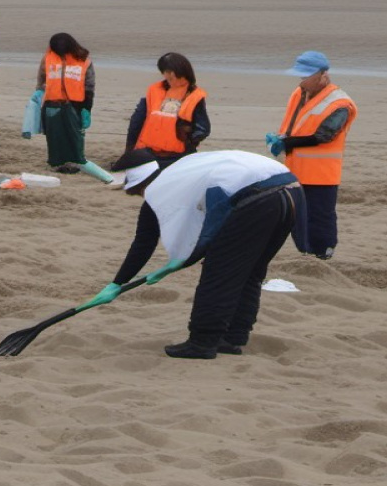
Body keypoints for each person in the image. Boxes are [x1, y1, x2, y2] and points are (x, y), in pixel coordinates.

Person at [89, 148, 305, 359]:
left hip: (256, 197)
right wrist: (119, 282)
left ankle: (203, 342)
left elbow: (144, 243)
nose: (144, 198)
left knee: (218, 271)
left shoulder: (161, 188)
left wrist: (118, 283)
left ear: (141, 184)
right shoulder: (181, 170)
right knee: (249, 271)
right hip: (291, 190)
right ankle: (233, 338)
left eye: (137, 192)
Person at [266, 50, 357, 260]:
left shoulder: (339, 103)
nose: (302, 81)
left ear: (323, 75)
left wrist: (287, 142)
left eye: (306, 76)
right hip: (296, 168)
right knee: (297, 214)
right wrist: (281, 138)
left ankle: (324, 252)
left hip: (322, 174)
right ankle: (305, 251)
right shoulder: (299, 93)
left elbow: (324, 136)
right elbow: (294, 124)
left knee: (320, 215)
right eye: (300, 76)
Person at [35, 33, 110, 181]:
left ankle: (75, 162)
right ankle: (56, 162)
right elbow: (42, 77)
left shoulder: (84, 61)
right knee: (54, 135)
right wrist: (38, 93)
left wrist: (87, 109)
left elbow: (89, 86)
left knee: (75, 136)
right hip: (52, 102)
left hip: (75, 104)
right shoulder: (48, 58)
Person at [125, 52, 211, 165]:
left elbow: (203, 129)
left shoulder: (194, 96)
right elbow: (136, 122)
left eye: (170, 72)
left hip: (177, 155)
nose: (168, 75)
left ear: (182, 71)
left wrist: (187, 141)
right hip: (149, 152)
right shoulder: (154, 92)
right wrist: (130, 150)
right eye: (165, 72)